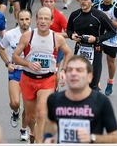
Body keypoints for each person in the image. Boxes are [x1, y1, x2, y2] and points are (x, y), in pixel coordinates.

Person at [12, 7, 72, 144]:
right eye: (41, 18)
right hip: (28, 79)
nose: (43, 21)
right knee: (31, 117)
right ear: (36, 20)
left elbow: (68, 53)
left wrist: (63, 70)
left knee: (41, 114)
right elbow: (15, 57)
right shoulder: (28, 36)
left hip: (47, 80)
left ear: (52, 21)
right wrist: (28, 63)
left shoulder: (57, 38)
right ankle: (33, 131)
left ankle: (39, 141)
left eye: (46, 19)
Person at [43, 55, 117, 143]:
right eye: (69, 70)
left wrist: (92, 138)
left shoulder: (101, 101)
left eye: (79, 70)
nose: (73, 74)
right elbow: (51, 122)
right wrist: (47, 137)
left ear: (90, 77)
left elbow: (115, 139)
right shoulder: (54, 99)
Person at [67, 0, 116, 91]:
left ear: (91, 0)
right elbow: (69, 30)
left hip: (95, 51)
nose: (83, 1)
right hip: (79, 49)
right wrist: (72, 35)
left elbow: (112, 31)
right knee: (77, 82)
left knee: (93, 84)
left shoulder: (99, 16)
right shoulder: (75, 15)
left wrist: (97, 39)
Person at [0, 9, 32, 141]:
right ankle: (15, 112)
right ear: (17, 20)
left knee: (28, 105)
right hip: (16, 71)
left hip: (30, 72)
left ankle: (23, 130)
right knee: (15, 102)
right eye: (21, 19)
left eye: (26, 19)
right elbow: (1, 48)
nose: (24, 22)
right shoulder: (10, 34)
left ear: (31, 20)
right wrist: (8, 63)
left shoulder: (36, 34)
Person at [93, 0, 117, 96]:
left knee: (110, 63)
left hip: (112, 39)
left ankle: (110, 81)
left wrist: (109, 20)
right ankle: (97, 82)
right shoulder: (96, 6)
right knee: (97, 61)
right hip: (99, 38)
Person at [42, 0, 69, 89]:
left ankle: (54, 91)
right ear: (43, 2)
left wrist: (54, 34)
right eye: (46, 1)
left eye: (51, 1)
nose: (48, 4)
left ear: (55, 2)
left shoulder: (59, 16)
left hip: (57, 47)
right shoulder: (40, 14)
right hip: (43, 46)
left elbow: (69, 34)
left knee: (54, 72)